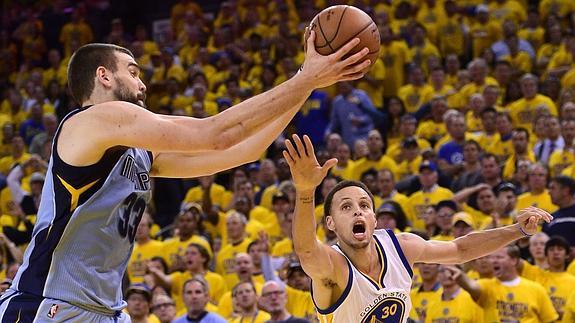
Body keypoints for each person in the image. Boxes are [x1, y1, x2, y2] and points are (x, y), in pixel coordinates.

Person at [0, 35, 371, 321]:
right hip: (48, 304)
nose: (142, 83)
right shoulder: (95, 119)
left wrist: (306, 84)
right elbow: (215, 134)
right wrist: (305, 77)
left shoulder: (140, 149)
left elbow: (241, 150)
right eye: (132, 71)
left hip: (106, 309)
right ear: (103, 75)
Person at [284, 134, 552, 322]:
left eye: (364, 205)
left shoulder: (401, 247)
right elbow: (306, 251)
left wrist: (517, 231)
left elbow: (460, 249)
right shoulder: (332, 266)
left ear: (374, 219)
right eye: (345, 207)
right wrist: (306, 191)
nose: (357, 210)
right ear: (330, 223)